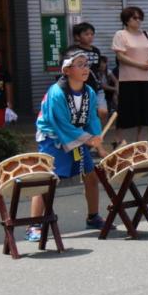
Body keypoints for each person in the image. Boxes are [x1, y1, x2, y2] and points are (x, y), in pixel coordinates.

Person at [28, 53, 109, 240]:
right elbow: (61, 124)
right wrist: (88, 139)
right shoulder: (56, 93)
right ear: (66, 70)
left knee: (91, 176)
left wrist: (97, 140)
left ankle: (93, 217)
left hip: (77, 136)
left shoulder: (88, 91)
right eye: (80, 65)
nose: (85, 68)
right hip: (53, 138)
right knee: (47, 180)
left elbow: (92, 119)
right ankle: (34, 225)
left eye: (86, 65)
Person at [111, 6, 148, 143]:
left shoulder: (146, 34)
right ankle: (118, 138)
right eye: (134, 18)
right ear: (126, 20)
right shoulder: (121, 34)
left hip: (146, 78)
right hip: (128, 78)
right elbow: (120, 56)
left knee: (145, 108)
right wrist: (139, 65)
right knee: (126, 108)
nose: (138, 21)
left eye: (140, 18)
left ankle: (140, 138)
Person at [71, 23, 108, 128]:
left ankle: (99, 135)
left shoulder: (96, 51)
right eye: (86, 34)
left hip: (96, 87)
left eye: (92, 34)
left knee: (103, 112)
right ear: (77, 36)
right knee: (83, 116)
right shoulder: (73, 51)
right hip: (80, 89)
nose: (90, 36)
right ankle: (86, 138)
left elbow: (97, 70)